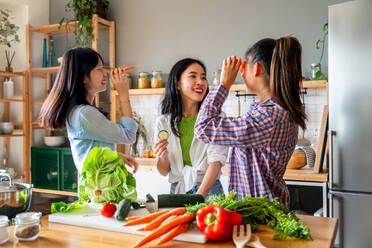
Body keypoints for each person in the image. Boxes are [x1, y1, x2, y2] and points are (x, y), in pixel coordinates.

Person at [194, 37, 306, 207]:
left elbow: (203, 128)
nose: (241, 71)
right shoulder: (271, 111)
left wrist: (223, 85)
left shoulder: (268, 117)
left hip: (261, 213)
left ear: (257, 69)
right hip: (263, 208)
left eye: (245, 65)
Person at [39, 47, 139, 176]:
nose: (105, 73)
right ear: (83, 78)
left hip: (96, 191)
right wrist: (124, 94)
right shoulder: (84, 114)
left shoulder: (79, 112)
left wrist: (116, 155)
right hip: (98, 193)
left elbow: (89, 149)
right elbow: (129, 135)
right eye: (99, 69)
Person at [152, 58, 228, 198]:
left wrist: (200, 195)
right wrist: (162, 156)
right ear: (178, 84)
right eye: (193, 76)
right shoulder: (162, 122)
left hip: (209, 190)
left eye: (203, 77)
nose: (200, 82)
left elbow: (216, 161)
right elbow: (164, 171)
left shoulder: (217, 118)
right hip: (177, 190)